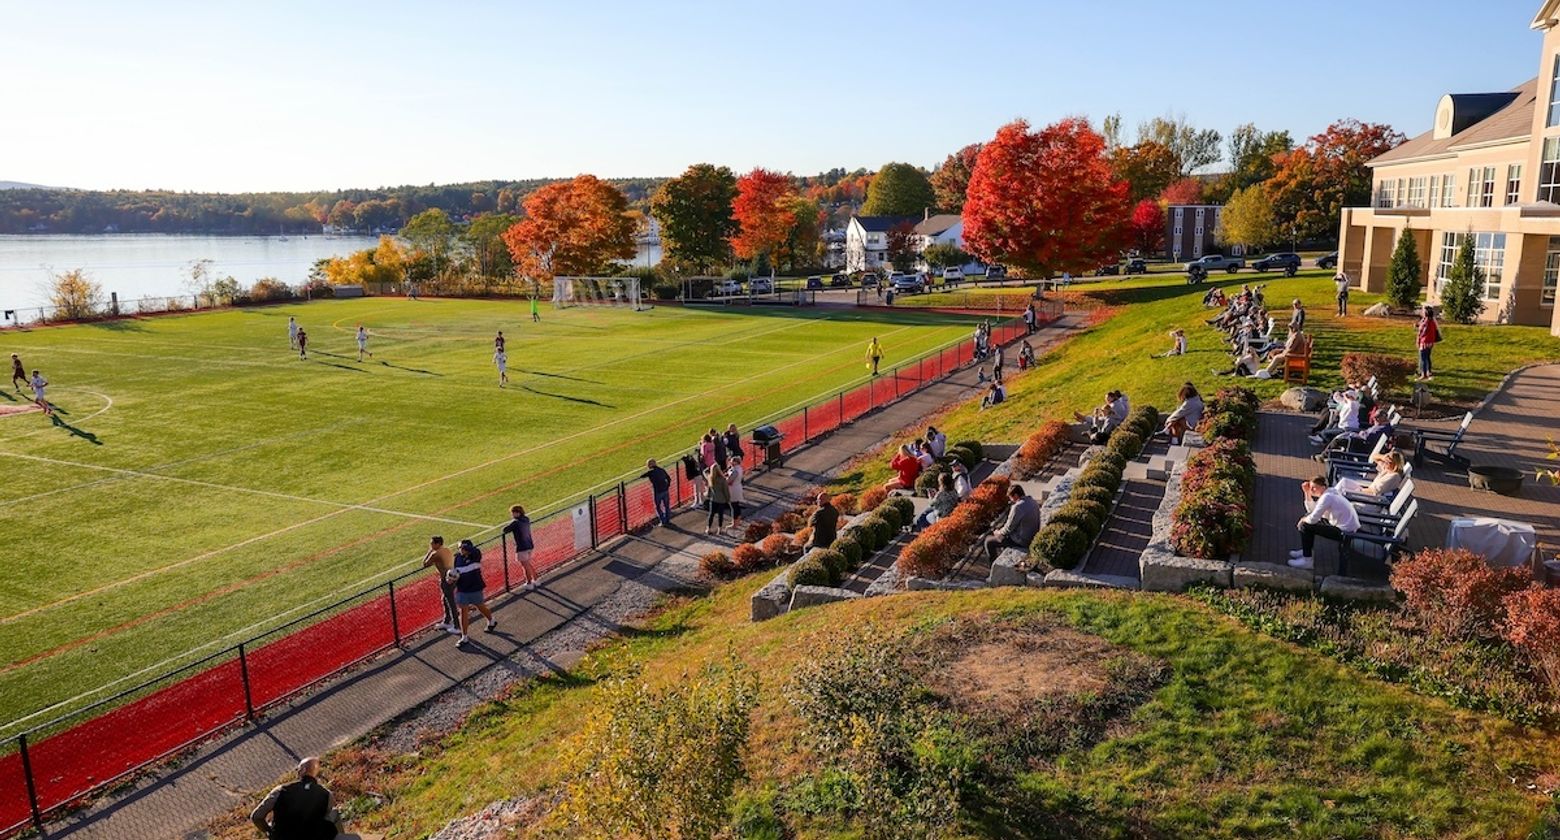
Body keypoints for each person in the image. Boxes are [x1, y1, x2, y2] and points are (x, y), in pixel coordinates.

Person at [251, 756, 339, 840]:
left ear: (303, 770)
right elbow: (329, 817)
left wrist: (269, 831)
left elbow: (256, 816)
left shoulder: (281, 790)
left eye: (298, 768)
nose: (297, 771)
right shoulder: (326, 795)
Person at [1290, 474, 1360, 570]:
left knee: (1305, 525)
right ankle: (1307, 551)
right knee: (1307, 519)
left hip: (1345, 531)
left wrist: (1303, 520)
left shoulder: (1327, 497)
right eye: (1311, 488)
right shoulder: (1329, 492)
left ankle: (1307, 560)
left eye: (1314, 488)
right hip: (1340, 525)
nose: (1312, 490)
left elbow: (1313, 518)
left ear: (1323, 487)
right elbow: (1312, 512)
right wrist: (1307, 493)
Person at [449, 539, 497, 646]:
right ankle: (464, 636)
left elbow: (474, 550)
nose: (461, 550)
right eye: (460, 548)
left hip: (475, 588)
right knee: (463, 612)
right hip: (462, 589)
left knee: (481, 607)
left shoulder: (475, 555)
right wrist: (451, 578)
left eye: (462, 548)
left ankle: (491, 620)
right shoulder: (457, 558)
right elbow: (456, 572)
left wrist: (465, 546)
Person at [984, 485, 1041, 561]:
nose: (1011, 500)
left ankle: (992, 566)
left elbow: (1008, 529)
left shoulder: (1018, 507)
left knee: (988, 541)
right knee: (1001, 535)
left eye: (1011, 497)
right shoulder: (1032, 501)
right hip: (1032, 536)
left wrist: (998, 532)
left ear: (1016, 495)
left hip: (1022, 541)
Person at [420, 535, 459, 634]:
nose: (431, 545)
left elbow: (425, 564)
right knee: (445, 599)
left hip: (446, 580)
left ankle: (456, 625)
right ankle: (447, 621)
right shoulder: (447, 549)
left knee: (450, 602)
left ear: (437, 544)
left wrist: (429, 551)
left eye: (432, 543)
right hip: (453, 577)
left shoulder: (435, 554)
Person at [1333, 451, 1406, 499]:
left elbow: (1375, 491)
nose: (1385, 462)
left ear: (1395, 464)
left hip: (1371, 498)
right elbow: (1374, 457)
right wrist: (1382, 457)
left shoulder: (1394, 476)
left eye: (1389, 461)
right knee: (1344, 481)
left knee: (1342, 491)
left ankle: (1329, 503)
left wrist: (1360, 490)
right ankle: (1329, 498)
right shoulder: (1387, 470)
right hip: (1367, 491)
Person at [501, 504, 539, 588]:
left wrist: (511, 523)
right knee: (527, 564)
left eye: (513, 513)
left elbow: (504, 530)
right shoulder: (526, 519)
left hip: (522, 547)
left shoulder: (515, 522)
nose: (512, 515)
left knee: (525, 566)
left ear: (517, 513)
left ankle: (529, 583)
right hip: (529, 545)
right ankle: (536, 579)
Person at [641, 459, 674, 527]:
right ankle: (667, 520)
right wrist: (667, 486)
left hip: (658, 491)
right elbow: (669, 478)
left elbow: (642, 476)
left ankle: (663, 521)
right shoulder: (661, 470)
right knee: (666, 506)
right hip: (665, 490)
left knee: (658, 507)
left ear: (650, 465)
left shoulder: (651, 472)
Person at [705, 461, 731, 535]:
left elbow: (709, 489)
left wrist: (709, 496)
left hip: (713, 499)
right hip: (721, 500)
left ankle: (708, 528)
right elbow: (725, 490)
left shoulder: (710, 478)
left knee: (711, 514)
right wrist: (728, 499)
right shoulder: (722, 480)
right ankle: (719, 529)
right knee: (720, 515)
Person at [1416, 305, 1440, 381]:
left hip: (1424, 342)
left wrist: (1418, 340)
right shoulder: (1431, 321)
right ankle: (1428, 372)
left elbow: (1422, 332)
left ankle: (1423, 375)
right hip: (1430, 342)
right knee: (1427, 357)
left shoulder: (1426, 322)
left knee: (1423, 358)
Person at [726, 453, 747, 527]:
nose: (730, 462)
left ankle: (734, 523)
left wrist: (725, 480)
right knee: (736, 506)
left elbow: (729, 480)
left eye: (732, 461)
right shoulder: (739, 468)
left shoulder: (735, 471)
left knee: (734, 506)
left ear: (736, 462)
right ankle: (738, 521)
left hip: (733, 489)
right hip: (737, 487)